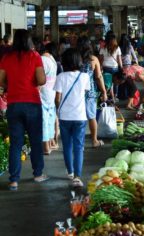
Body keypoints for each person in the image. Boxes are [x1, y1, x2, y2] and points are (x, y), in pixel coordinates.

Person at [0, 29, 48, 190]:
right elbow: (41, 80)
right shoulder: (34, 56)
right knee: (35, 141)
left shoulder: (7, 58)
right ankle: (38, 174)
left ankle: (13, 180)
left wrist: (11, 85)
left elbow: (1, 81)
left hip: (13, 104)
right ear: (29, 41)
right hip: (32, 103)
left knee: (15, 144)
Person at [54, 48, 90, 188]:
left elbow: (57, 98)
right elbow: (85, 93)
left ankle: (70, 171)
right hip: (80, 116)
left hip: (64, 116)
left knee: (67, 146)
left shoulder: (61, 76)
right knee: (78, 146)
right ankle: (77, 177)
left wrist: (59, 108)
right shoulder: (84, 76)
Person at [78, 37, 108, 148]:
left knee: (78, 117)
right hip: (89, 92)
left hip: (76, 92)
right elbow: (99, 77)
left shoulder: (75, 58)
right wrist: (104, 92)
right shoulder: (93, 59)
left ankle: (78, 142)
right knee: (91, 117)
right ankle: (94, 141)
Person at [38, 42, 58, 155]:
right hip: (51, 93)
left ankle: (46, 147)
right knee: (50, 119)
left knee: (45, 120)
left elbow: (40, 78)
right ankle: (50, 143)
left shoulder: (42, 60)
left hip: (44, 93)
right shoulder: (52, 59)